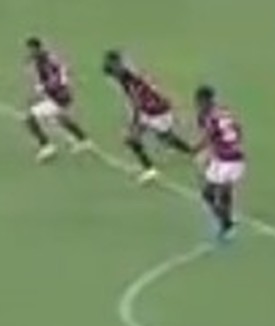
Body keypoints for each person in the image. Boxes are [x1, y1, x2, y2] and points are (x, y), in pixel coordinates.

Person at [102, 50, 192, 184]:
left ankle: (150, 169)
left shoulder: (129, 81)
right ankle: (190, 152)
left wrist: (133, 124)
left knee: (136, 139)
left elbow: (136, 105)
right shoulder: (130, 76)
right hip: (154, 110)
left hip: (156, 112)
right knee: (163, 138)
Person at [23, 37, 91, 162]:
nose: (30, 52)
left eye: (31, 49)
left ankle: (47, 146)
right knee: (60, 118)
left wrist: (42, 88)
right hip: (58, 96)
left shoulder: (46, 62)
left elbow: (56, 78)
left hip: (58, 97)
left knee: (30, 118)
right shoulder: (45, 59)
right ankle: (83, 140)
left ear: (37, 48)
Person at [194, 85, 245, 243]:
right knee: (210, 194)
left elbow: (207, 137)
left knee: (217, 194)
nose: (198, 104)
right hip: (228, 158)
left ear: (206, 100)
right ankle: (227, 219)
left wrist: (196, 150)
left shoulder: (208, 117)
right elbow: (238, 128)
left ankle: (226, 225)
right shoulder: (224, 111)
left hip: (229, 160)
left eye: (200, 101)